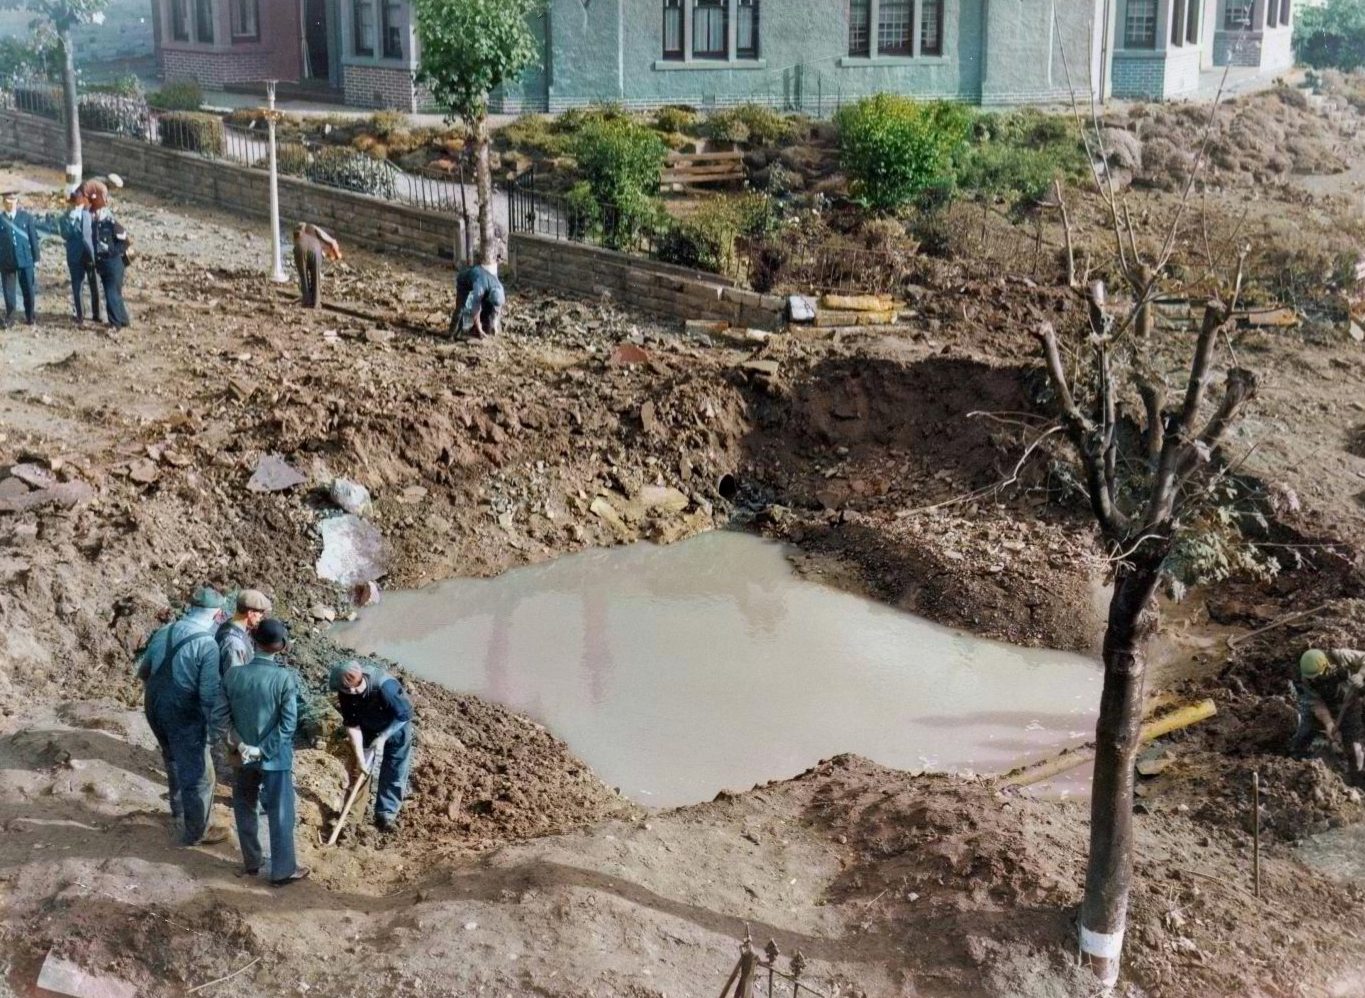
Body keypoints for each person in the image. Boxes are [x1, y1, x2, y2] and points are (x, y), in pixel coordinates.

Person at [213, 618, 311, 885]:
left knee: (245, 807)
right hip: (274, 758)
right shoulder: (283, 678)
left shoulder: (233, 676)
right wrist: (262, 750)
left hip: (240, 756)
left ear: (253, 642)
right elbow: (288, 724)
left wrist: (240, 744)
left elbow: (220, 718)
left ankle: (252, 862)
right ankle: (282, 871)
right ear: (280, 647)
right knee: (281, 813)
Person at [137, 586, 228, 845]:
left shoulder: (164, 632)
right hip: (182, 712)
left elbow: (144, 671)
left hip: (154, 705)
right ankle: (197, 831)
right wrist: (215, 731)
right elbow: (209, 695)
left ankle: (178, 810)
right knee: (201, 774)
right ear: (218, 615)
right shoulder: (207, 644)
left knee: (172, 758)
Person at [328, 660, 414, 832]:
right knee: (360, 770)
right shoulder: (345, 691)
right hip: (367, 728)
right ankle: (351, 819)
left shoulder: (385, 686)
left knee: (395, 770)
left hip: (396, 727)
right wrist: (361, 758)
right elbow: (352, 726)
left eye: (355, 688)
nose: (352, 692)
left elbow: (404, 715)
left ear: (360, 679)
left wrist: (383, 737)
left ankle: (386, 815)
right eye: (346, 690)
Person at [1291, 647, 1365, 782]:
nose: (1313, 680)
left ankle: (1357, 778)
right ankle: (1294, 761)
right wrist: (1329, 723)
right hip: (1325, 703)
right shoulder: (1304, 679)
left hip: (1350, 702)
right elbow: (1315, 703)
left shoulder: (1340, 656)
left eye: (1316, 677)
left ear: (1326, 667)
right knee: (1303, 735)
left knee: (1354, 747)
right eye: (1311, 678)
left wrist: (1360, 675)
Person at [87, 181, 132, 328]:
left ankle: (115, 324)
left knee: (111, 294)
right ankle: (123, 320)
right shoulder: (95, 225)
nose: (93, 214)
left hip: (114, 264)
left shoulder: (111, 224)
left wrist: (111, 252)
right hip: (104, 265)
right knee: (114, 293)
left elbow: (125, 242)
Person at [58, 189, 99, 323]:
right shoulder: (64, 218)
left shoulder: (88, 215)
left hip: (89, 255)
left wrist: (96, 254)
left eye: (78, 204)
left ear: (82, 204)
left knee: (94, 286)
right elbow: (65, 235)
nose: (76, 207)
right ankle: (80, 315)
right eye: (74, 205)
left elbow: (94, 236)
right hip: (74, 256)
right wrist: (71, 220)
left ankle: (96, 314)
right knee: (77, 286)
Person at [0, 191, 40, 327]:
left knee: (28, 289)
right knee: (8, 292)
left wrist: (36, 258)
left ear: (17, 202)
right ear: (3, 202)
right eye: (7, 201)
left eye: (13, 201)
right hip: (6, 261)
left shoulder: (26, 218)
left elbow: (33, 238)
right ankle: (10, 318)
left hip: (25, 259)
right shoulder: (0, 219)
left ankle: (30, 316)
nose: (10, 204)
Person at [216, 589, 272, 676]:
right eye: (260, 612)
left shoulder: (229, 624)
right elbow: (234, 681)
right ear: (250, 613)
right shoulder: (234, 644)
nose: (261, 616)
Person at [293, 223, 341, 309]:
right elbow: (333, 243)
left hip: (300, 248)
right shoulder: (314, 228)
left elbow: (296, 243)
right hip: (315, 249)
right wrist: (337, 255)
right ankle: (316, 303)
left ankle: (306, 301)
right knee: (315, 277)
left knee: (303, 276)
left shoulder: (298, 231)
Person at [450, 264, 505, 338]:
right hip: (464, 281)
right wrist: (480, 330)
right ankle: (453, 333)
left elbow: (497, 308)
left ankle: (474, 331)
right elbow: (475, 311)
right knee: (461, 308)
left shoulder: (500, 290)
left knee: (488, 308)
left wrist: (495, 324)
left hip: (482, 282)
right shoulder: (480, 290)